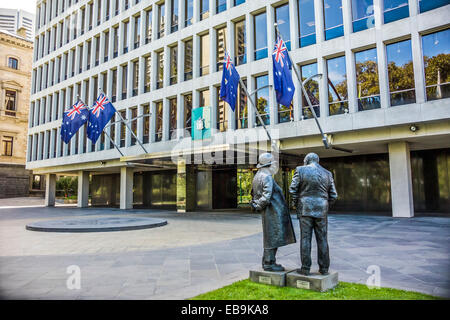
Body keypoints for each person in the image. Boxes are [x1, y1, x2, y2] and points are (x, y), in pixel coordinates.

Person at [289, 152, 338, 275]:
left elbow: (292, 189)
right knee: (323, 239)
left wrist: (296, 203)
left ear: (307, 160)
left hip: (305, 208)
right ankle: (324, 268)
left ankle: (305, 268)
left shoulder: (300, 170)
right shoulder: (327, 173)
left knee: (305, 238)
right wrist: (324, 205)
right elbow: (334, 195)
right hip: (321, 209)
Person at [251, 153, 296, 272]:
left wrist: (256, 205)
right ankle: (269, 263)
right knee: (273, 237)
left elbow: (255, 195)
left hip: (269, 211)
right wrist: (259, 206)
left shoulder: (257, 176)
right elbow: (266, 197)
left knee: (271, 236)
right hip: (273, 211)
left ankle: (268, 261)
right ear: (269, 164)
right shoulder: (266, 177)